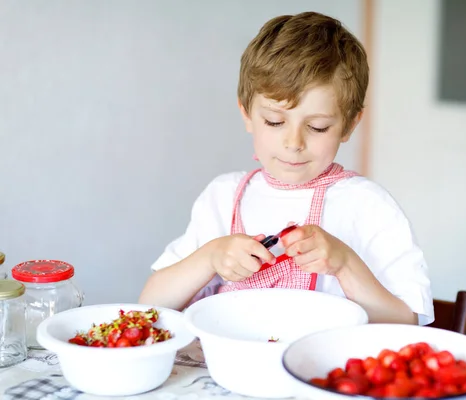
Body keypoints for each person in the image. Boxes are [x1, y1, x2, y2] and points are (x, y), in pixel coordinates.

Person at [138, 11, 434, 325]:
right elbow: (149, 305)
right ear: (247, 115)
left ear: (349, 125)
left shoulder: (368, 206)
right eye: (275, 121)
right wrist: (210, 257)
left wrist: (345, 264)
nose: (294, 143)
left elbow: (405, 324)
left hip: (323, 372)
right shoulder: (222, 198)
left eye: (318, 127)